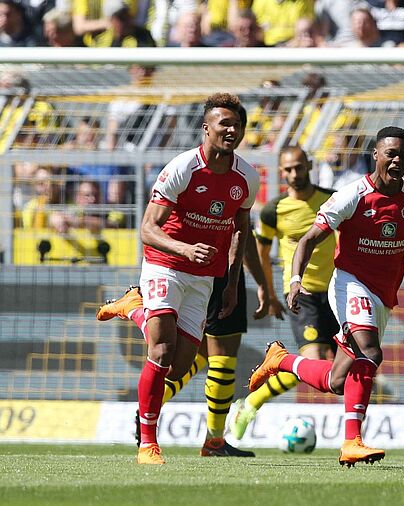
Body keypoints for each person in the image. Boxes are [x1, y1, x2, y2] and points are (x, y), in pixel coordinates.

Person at [246, 126, 404, 466]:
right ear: (376, 155)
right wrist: (295, 279)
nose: (397, 161)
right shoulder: (352, 195)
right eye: (391, 154)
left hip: (383, 294)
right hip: (349, 283)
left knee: (338, 380)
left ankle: (281, 360)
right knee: (370, 351)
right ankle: (352, 442)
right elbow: (308, 239)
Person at [95, 93, 259, 465]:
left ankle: (134, 308)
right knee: (161, 351)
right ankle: (148, 444)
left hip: (204, 277)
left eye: (237, 125)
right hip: (165, 265)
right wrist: (184, 249)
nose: (231, 131)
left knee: (180, 365)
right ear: (206, 128)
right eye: (224, 124)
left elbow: (240, 229)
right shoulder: (183, 168)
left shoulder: (246, 177)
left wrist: (232, 283)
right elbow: (147, 229)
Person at [228, 146, 340, 440]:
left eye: (298, 167)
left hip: (337, 295)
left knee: (342, 372)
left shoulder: (332, 201)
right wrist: (269, 293)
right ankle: (251, 403)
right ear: (281, 172)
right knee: (315, 362)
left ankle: (356, 435)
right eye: (288, 169)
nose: (294, 174)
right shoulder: (273, 210)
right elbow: (262, 255)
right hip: (303, 295)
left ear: (309, 166)